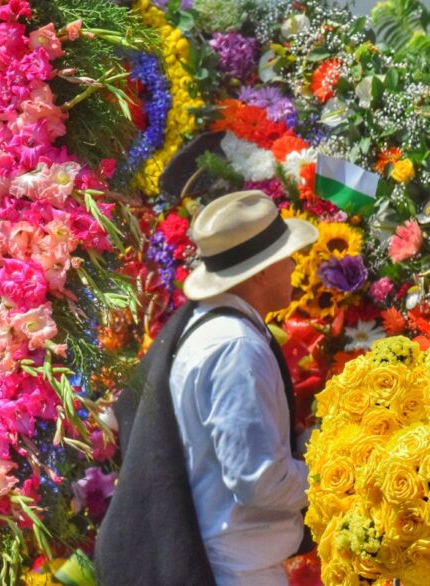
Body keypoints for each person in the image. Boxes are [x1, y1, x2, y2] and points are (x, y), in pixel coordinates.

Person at [96, 190, 318, 585]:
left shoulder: (210, 327)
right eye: (285, 257)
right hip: (233, 574)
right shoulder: (236, 346)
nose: (292, 266)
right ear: (261, 271)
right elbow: (259, 481)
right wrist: (338, 470)